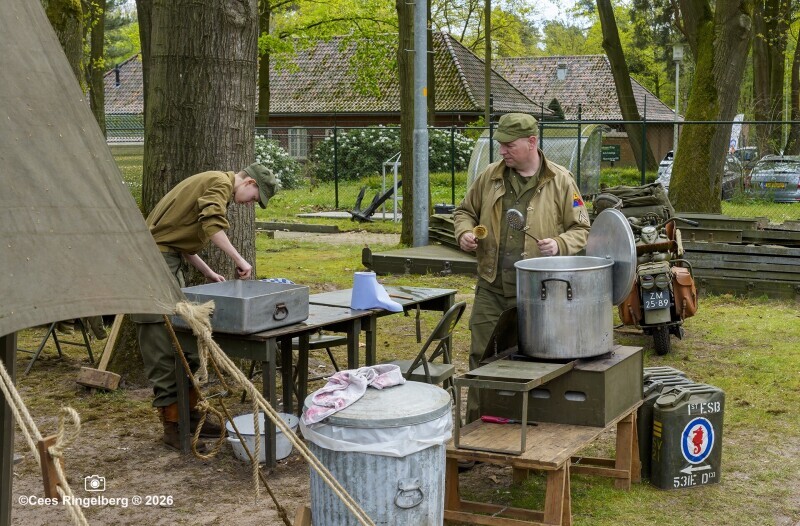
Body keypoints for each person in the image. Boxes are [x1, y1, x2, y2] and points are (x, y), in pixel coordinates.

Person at [453, 113, 591, 424]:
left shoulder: (561, 180)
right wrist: (464, 232)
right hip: (491, 287)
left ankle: (530, 427)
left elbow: (581, 228)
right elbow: (464, 211)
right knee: (481, 356)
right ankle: (475, 425)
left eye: (509, 145)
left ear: (531, 142)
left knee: (534, 361)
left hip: (538, 293)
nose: (502, 151)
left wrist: (559, 243)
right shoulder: (490, 176)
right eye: (500, 144)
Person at [133, 163, 277, 450]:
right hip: (153, 265)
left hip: (166, 260)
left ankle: (191, 415)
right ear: (249, 182)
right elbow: (212, 225)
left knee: (185, 342)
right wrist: (240, 259)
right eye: (254, 198)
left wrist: (208, 271)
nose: (250, 204)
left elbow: (179, 239)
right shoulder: (219, 183)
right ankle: (174, 426)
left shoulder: (213, 184)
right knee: (162, 342)